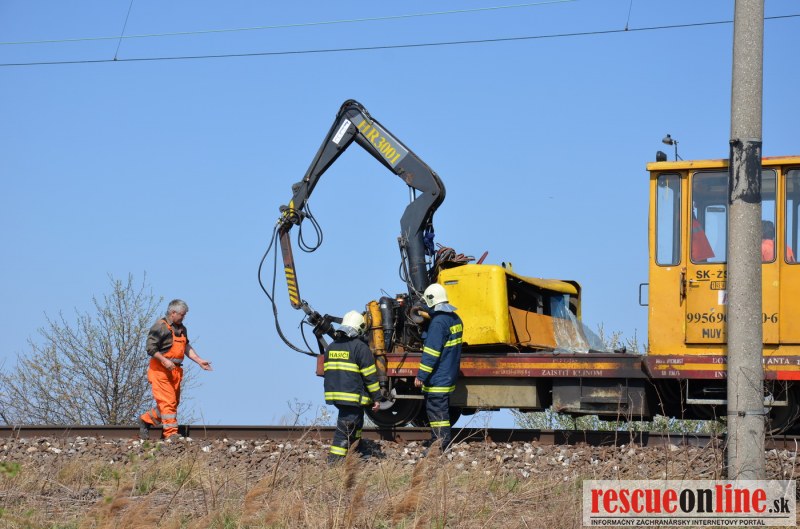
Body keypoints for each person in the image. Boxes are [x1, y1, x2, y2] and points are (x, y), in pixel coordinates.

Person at [139, 299, 212, 441]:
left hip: (175, 372)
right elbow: (150, 348)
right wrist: (164, 360)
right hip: (160, 370)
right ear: (173, 313)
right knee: (169, 402)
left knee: (173, 403)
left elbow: (186, 347)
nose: (184, 317)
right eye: (182, 315)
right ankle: (171, 434)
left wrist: (199, 361)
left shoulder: (182, 329)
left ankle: (146, 419)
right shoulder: (160, 326)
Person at [323, 310, 383, 464]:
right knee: (346, 427)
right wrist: (377, 398)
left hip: (335, 395)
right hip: (352, 396)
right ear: (360, 328)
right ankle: (334, 460)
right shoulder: (360, 348)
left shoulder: (331, 347)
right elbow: (370, 377)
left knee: (357, 422)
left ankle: (356, 449)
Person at [414, 283, 463, 455]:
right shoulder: (455, 318)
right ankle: (439, 440)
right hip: (449, 373)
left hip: (438, 377)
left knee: (437, 412)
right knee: (440, 410)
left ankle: (440, 445)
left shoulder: (438, 323)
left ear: (431, 301)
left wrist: (421, 375)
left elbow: (431, 353)